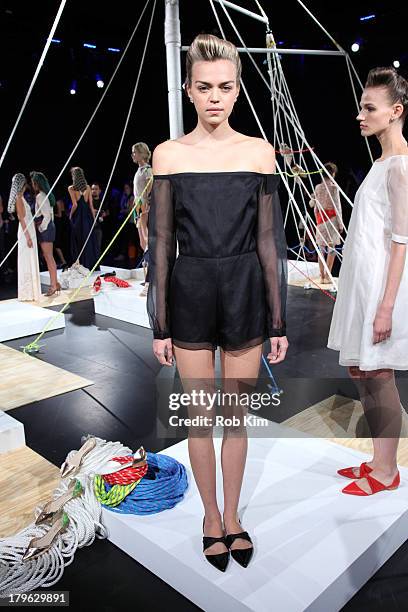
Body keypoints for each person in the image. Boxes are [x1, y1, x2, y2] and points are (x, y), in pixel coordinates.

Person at [147, 34, 288, 571]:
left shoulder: (258, 152)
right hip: (189, 293)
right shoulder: (169, 155)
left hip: (245, 293)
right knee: (199, 419)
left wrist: (277, 320)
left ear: (236, 90)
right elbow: (161, 245)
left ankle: (234, 516)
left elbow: (269, 242)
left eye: (225, 87)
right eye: (204, 87)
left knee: (237, 418)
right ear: (188, 88)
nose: (214, 97)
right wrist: (158, 325)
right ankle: (210, 517)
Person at [328, 67, 408, 496]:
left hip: (380, 288)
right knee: (364, 372)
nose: (360, 115)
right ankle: (378, 460)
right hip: (362, 284)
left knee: (380, 378)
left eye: (369, 108)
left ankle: (387, 471)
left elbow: (402, 242)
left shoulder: (399, 166)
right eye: (361, 106)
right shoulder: (381, 162)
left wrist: (385, 306)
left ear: (395, 112)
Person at [8, 173, 41, 301]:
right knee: (27, 259)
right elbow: (21, 218)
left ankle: (32, 291)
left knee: (30, 258)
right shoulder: (18, 198)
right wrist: (27, 236)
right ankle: (27, 292)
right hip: (25, 232)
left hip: (29, 230)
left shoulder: (21, 197)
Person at [309, 162, 343, 283]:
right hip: (332, 219)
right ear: (333, 174)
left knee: (321, 248)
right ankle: (327, 276)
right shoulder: (334, 187)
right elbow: (337, 206)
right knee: (331, 248)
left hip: (321, 219)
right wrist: (340, 224)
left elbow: (316, 206)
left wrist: (317, 218)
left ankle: (322, 276)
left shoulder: (318, 187)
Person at [30, 171, 60, 296]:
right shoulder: (44, 195)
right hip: (47, 226)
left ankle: (53, 285)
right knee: (49, 256)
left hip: (45, 226)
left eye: (33, 183)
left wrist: (41, 228)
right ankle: (55, 283)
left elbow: (47, 215)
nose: (32, 185)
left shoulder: (40, 196)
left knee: (48, 257)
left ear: (36, 184)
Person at [68, 167, 99, 270]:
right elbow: (91, 205)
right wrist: (94, 219)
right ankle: (89, 264)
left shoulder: (71, 188)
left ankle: (79, 263)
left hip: (78, 217)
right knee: (88, 239)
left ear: (74, 176)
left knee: (78, 239)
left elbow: (75, 205)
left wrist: (70, 215)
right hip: (87, 217)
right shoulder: (88, 187)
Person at [132, 142, 153, 285]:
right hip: (138, 209)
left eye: (134, 152)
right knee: (142, 242)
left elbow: (150, 189)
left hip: (145, 209)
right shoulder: (139, 170)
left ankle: (149, 279)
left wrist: (145, 205)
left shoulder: (147, 171)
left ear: (141, 153)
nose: (133, 155)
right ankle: (147, 277)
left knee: (147, 242)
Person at [54, 199, 71, 268]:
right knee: (62, 243)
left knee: (57, 244)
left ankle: (63, 261)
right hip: (65, 222)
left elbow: (59, 215)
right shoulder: (63, 201)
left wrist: (52, 214)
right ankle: (65, 260)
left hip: (60, 223)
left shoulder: (58, 202)